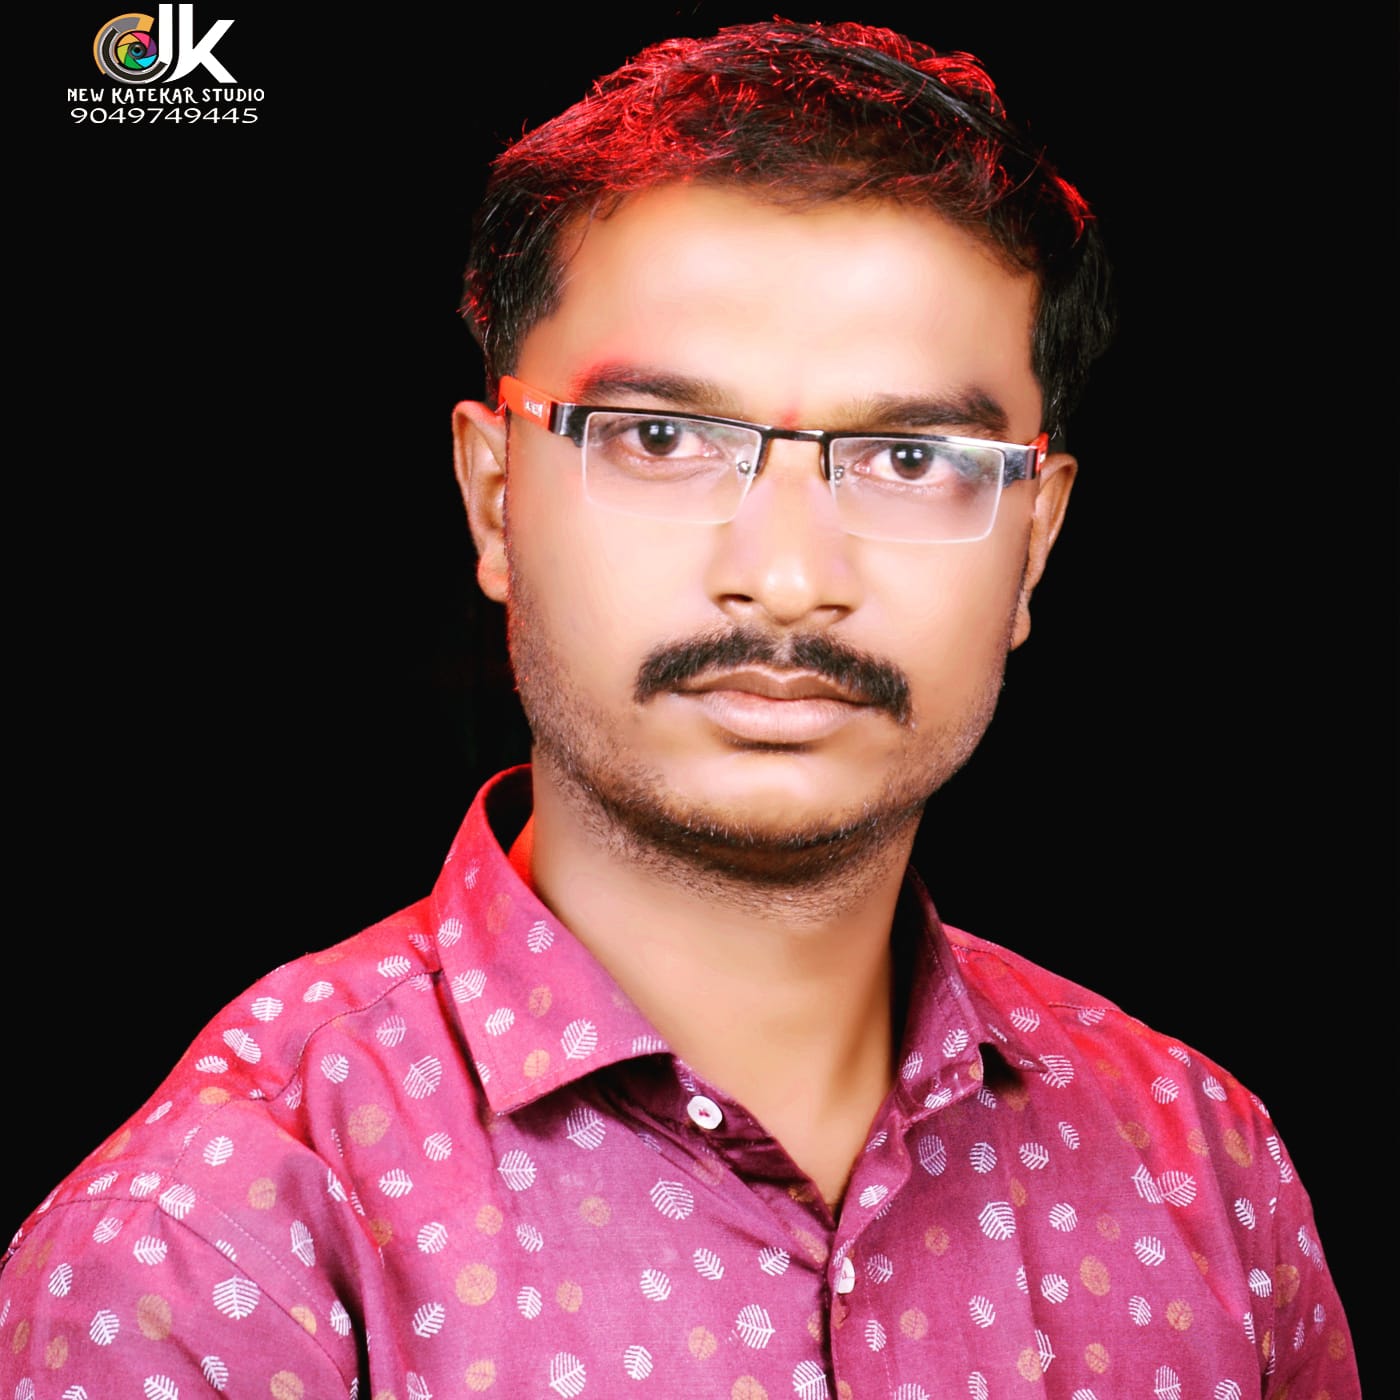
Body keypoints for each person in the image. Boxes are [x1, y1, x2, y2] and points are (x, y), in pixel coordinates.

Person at [4, 18, 1360, 1399]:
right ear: (495, 502)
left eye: (910, 458)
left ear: (1035, 543)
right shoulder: (210, 1246)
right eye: (661, 439)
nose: (789, 579)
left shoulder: (1206, 1167)